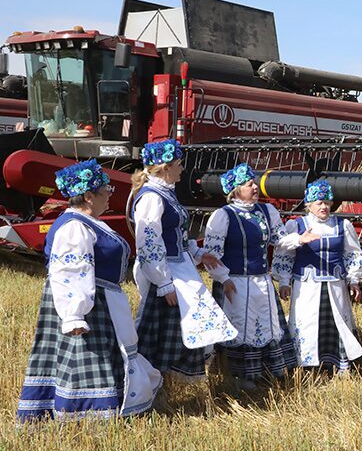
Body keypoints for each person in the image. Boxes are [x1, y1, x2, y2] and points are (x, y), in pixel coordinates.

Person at [17, 160, 161, 421]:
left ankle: (109, 407)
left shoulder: (89, 222)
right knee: (86, 357)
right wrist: (74, 315)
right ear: (88, 196)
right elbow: (70, 271)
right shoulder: (74, 227)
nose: (110, 195)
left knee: (107, 353)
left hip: (101, 299)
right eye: (106, 190)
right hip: (86, 303)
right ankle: (86, 414)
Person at [131, 139, 237, 383]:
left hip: (178, 267)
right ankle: (151, 383)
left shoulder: (166, 193)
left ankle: (167, 382)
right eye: (179, 164)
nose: (182, 169)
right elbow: (148, 242)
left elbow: (177, 234)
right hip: (165, 271)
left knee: (185, 324)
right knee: (159, 331)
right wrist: (163, 282)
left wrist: (198, 253)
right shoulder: (151, 197)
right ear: (166, 168)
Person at [203, 163, 297, 390]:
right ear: (236, 190)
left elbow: (279, 240)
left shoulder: (267, 211)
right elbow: (212, 255)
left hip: (261, 282)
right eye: (249, 184)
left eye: (254, 183)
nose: (255, 187)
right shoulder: (223, 216)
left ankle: (265, 372)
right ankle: (237, 377)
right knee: (239, 328)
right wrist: (223, 278)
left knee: (265, 325)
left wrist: (299, 239)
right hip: (234, 282)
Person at [273, 180, 362, 374]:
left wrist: (354, 280)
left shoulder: (342, 225)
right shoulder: (296, 225)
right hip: (307, 285)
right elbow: (284, 254)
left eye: (327, 202)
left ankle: (338, 364)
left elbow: (352, 253)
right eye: (319, 203)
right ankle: (306, 365)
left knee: (336, 321)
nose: (323, 207)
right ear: (309, 205)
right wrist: (284, 281)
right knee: (307, 322)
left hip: (335, 284)